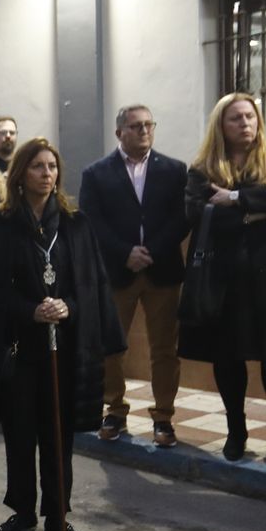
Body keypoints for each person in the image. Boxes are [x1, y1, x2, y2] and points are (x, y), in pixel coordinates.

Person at [0, 138, 125, 531]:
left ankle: (58, 513)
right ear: (20, 173)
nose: (48, 173)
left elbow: (90, 286)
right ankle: (22, 509)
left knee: (58, 435)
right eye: (39, 166)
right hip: (19, 348)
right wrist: (30, 311)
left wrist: (67, 307)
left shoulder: (77, 224)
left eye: (53, 166)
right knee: (21, 432)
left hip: (65, 347)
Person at [180, 92, 266, 464]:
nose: (245, 124)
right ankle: (236, 431)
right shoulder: (203, 168)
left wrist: (237, 200)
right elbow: (196, 209)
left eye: (250, 117)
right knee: (227, 356)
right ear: (220, 126)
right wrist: (256, 206)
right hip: (224, 278)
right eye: (236, 118)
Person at [78, 104, 191, 448]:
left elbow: (182, 217)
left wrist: (151, 250)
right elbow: (90, 221)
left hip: (162, 271)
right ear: (119, 133)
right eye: (135, 126)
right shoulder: (97, 173)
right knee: (111, 346)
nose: (144, 131)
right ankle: (115, 409)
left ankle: (163, 417)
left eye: (148, 125)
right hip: (117, 272)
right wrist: (125, 252)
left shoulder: (174, 170)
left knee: (165, 349)